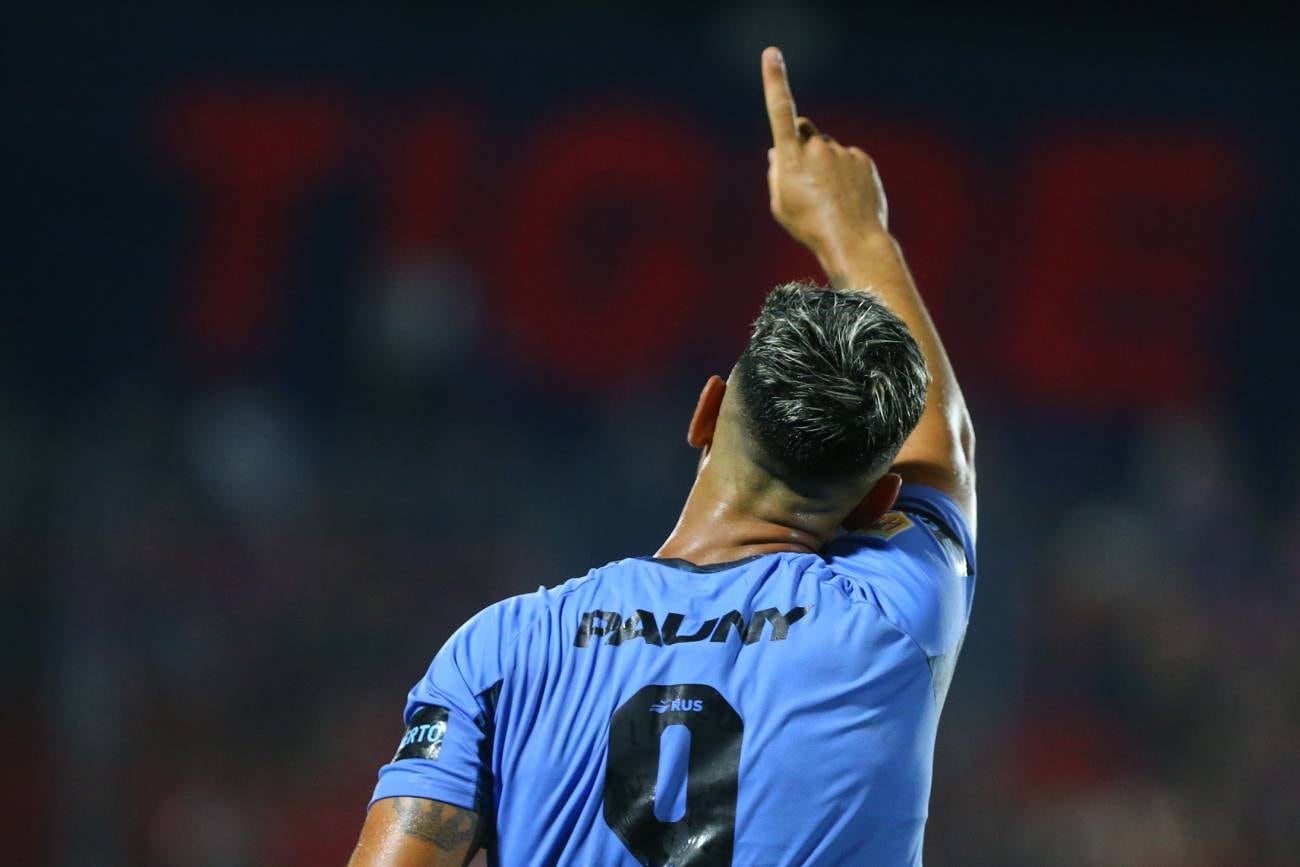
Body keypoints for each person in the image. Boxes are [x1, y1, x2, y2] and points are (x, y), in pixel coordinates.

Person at [346, 45, 976, 867]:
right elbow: (947, 441)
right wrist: (853, 230)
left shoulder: (502, 649)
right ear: (873, 501)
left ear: (706, 412)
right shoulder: (894, 615)